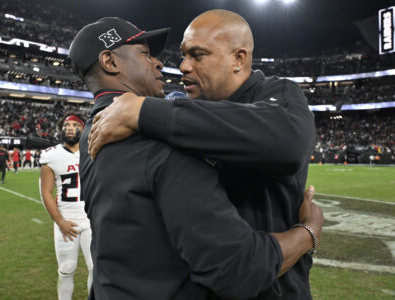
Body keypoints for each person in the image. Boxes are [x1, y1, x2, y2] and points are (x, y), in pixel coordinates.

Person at [69, 16, 323, 299]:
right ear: (110, 62)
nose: (181, 66)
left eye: (197, 55)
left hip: (275, 289)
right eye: (183, 55)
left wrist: (142, 111)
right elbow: (233, 265)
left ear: (238, 58)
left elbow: (287, 142)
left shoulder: (276, 94)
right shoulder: (140, 127)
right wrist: (308, 232)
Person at [39, 111, 93, 300]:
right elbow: (45, 192)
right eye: (66, 126)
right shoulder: (51, 155)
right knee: (66, 270)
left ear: (83, 129)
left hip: (91, 220)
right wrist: (60, 221)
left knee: (95, 268)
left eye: (75, 126)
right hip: (66, 220)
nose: (70, 129)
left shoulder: (93, 150)